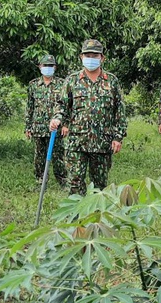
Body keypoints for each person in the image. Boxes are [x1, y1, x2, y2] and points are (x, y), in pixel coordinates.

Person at [49, 39, 127, 195]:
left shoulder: (111, 81)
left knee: (100, 186)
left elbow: (120, 111)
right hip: (77, 142)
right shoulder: (71, 80)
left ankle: (97, 216)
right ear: (81, 57)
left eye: (95, 55)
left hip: (102, 143)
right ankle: (75, 216)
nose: (91, 58)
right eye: (87, 55)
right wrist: (57, 118)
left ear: (102, 58)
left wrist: (118, 137)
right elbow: (62, 104)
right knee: (75, 182)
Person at [25, 54, 67, 187]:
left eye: (50, 66)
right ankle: (40, 181)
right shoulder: (33, 85)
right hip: (38, 126)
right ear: (39, 67)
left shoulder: (62, 84)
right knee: (39, 157)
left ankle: (63, 181)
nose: (47, 68)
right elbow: (30, 107)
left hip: (56, 128)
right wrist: (28, 127)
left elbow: (66, 106)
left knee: (58, 156)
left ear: (55, 67)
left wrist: (66, 124)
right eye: (45, 66)